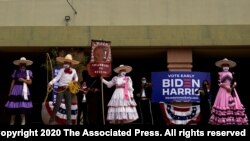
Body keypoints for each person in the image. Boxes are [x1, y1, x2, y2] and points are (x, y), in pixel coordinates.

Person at [209, 58, 248, 125]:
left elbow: (234, 82)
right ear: (222, 66)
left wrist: (232, 87)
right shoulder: (219, 74)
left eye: (227, 65)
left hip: (231, 90)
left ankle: (233, 121)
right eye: (224, 65)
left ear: (229, 66)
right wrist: (226, 87)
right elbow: (218, 83)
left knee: (233, 105)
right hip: (223, 91)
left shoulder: (232, 73)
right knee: (223, 104)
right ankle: (222, 121)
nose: (225, 66)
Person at [47, 54, 79, 125]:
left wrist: (73, 81)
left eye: (68, 62)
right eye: (66, 62)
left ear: (71, 63)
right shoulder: (61, 70)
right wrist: (51, 83)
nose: (66, 63)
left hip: (68, 89)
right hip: (60, 89)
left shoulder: (73, 71)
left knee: (68, 105)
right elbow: (57, 78)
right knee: (57, 104)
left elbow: (76, 78)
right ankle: (51, 120)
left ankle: (69, 122)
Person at [5, 57, 33, 125]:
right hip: (15, 90)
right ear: (19, 64)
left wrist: (23, 80)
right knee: (14, 106)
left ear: (25, 64)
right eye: (21, 64)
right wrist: (10, 92)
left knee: (22, 107)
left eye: (24, 64)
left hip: (24, 90)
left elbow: (30, 82)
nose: (22, 65)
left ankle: (23, 122)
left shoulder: (28, 72)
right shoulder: (16, 71)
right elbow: (12, 82)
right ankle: (12, 121)